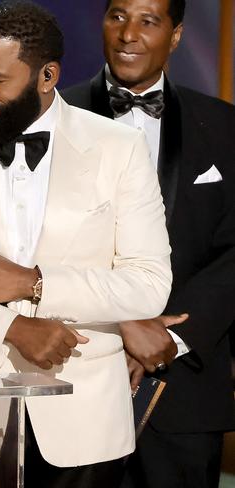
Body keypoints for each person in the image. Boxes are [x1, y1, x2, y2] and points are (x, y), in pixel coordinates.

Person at [0, 1, 173, 487]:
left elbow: (148, 285)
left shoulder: (118, 148)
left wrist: (33, 284)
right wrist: (11, 327)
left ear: (47, 76)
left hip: (84, 414)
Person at [63, 1, 235, 486]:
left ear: (176, 35)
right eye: (117, 17)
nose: (128, 34)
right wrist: (121, 326)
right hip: (73, 372)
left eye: (148, 21)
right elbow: (33, 244)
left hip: (183, 391)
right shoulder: (52, 119)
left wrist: (168, 336)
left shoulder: (223, 126)